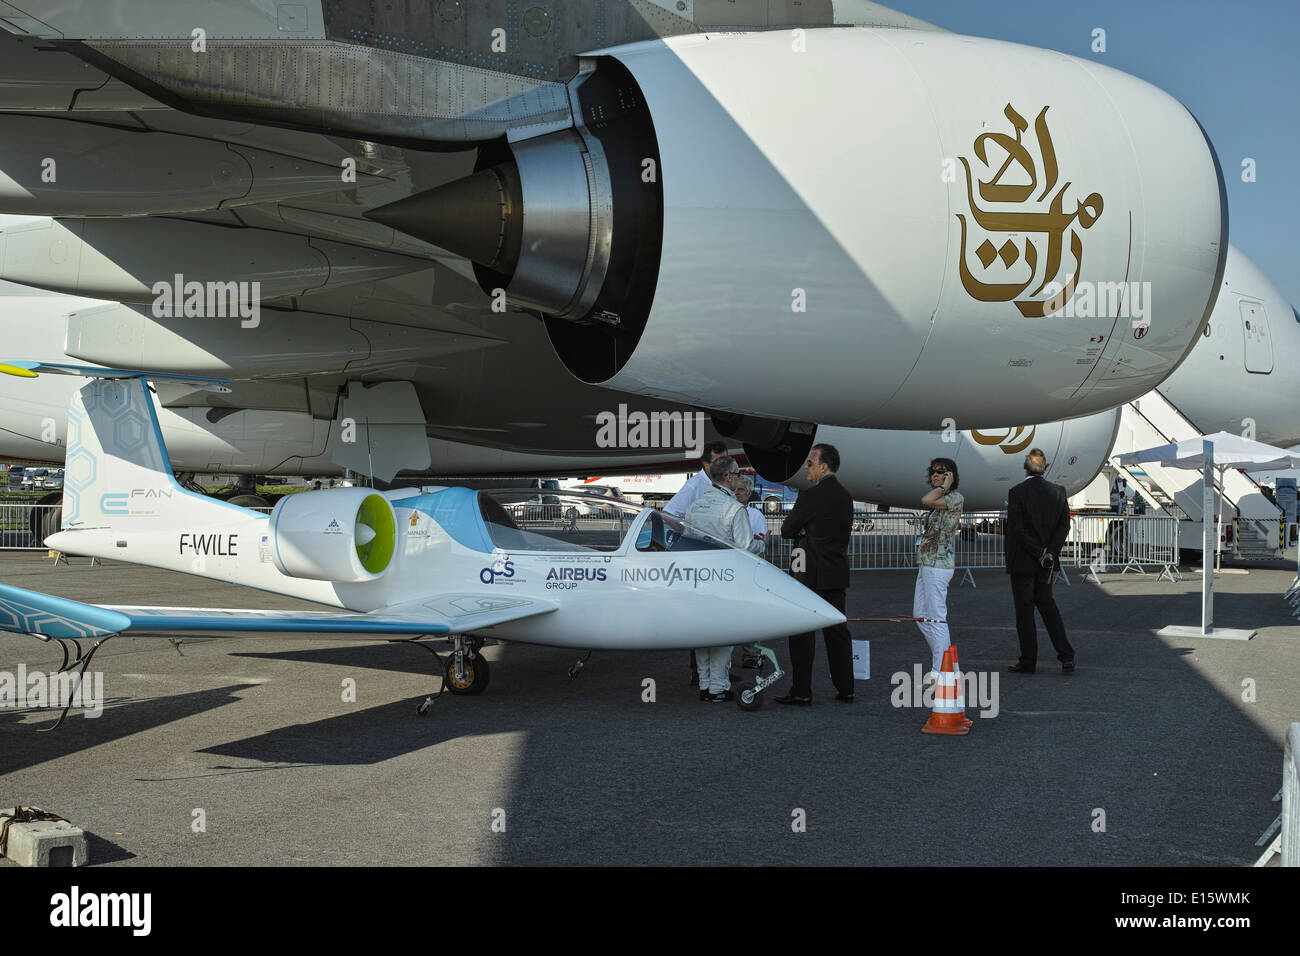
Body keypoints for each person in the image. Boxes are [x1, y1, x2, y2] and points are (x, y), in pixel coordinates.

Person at [775, 443, 855, 705]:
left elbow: (787, 530)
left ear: (823, 466)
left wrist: (804, 530)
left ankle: (801, 690)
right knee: (837, 633)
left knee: (801, 634)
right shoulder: (845, 496)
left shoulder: (810, 497)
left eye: (810, 463)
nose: (807, 467)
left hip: (807, 575)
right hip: (835, 571)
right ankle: (846, 689)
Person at [684, 456, 751, 701]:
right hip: (725, 581)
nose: (740, 477)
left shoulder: (694, 506)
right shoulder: (734, 509)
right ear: (729, 478)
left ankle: (704, 685)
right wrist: (761, 543)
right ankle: (718, 688)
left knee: (702, 635)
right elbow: (744, 547)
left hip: (697, 579)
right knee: (723, 636)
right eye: (738, 473)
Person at [1004, 448, 1076, 674]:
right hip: (1048, 563)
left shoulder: (1016, 492)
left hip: (1024, 561)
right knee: (1048, 607)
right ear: (1045, 467)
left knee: (1025, 612)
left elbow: (1018, 529)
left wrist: (1038, 552)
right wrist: (1050, 552)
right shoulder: (1058, 492)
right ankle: (1066, 656)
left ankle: (1028, 660)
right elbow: (1064, 526)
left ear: (1025, 467)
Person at [666, 440, 729, 687]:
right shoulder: (694, 485)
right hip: (700, 557)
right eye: (718, 461)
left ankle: (718, 671)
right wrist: (689, 535)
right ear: (705, 464)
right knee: (703, 613)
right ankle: (699, 673)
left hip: (718, 558)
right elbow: (670, 513)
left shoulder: (723, 482)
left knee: (720, 613)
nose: (724, 465)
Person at [914, 457, 964, 680]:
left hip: (939, 565)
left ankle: (940, 669)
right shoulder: (942, 497)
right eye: (933, 472)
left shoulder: (954, 497)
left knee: (936, 617)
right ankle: (948, 663)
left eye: (941, 472)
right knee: (920, 616)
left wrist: (944, 486)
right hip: (927, 563)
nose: (935, 475)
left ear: (951, 475)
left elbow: (926, 499)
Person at [734, 475, 770, 669]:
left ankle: (751, 654)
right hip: (730, 569)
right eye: (734, 489)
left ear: (748, 493)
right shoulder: (727, 511)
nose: (736, 493)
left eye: (740, 490)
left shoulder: (756, 515)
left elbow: (760, 543)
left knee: (751, 612)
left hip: (749, 570)